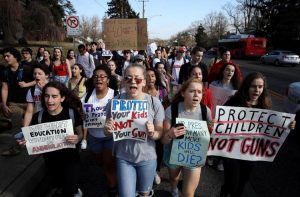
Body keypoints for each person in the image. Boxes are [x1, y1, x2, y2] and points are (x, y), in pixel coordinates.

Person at [220, 72, 296, 197]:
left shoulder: (264, 105)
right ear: (246, 87)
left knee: (241, 186)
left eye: (260, 87)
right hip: (231, 152)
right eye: (253, 86)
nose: (257, 90)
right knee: (231, 185)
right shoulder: (234, 102)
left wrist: (288, 124)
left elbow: (271, 125)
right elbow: (222, 122)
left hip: (250, 153)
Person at [104, 63, 164, 197]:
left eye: (137, 79)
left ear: (143, 82)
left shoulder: (154, 103)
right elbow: (107, 131)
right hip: (123, 158)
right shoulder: (114, 103)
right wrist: (108, 129)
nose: (133, 82)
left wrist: (153, 132)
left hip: (147, 157)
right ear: (124, 81)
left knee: (144, 193)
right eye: (128, 78)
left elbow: (160, 133)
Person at [18, 81, 83, 197]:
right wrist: (25, 142)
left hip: (71, 159)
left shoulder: (72, 113)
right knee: (60, 183)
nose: (49, 100)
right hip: (51, 161)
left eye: (54, 96)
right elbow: (32, 138)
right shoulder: (38, 117)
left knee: (69, 189)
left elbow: (81, 133)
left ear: (62, 98)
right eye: (47, 96)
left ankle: (73, 190)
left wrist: (77, 138)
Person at [161, 78, 212, 197]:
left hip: (194, 156)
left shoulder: (205, 111)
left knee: (188, 193)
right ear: (183, 93)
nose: (196, 95)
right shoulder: (172, 110)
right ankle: (174, 190)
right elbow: (163, 140)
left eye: (199, 92)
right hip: (172, 153)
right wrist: (169, 134)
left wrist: (215, 128)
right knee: (174, 178)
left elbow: (210, 134)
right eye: (192, 91)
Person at [81, 65, 118, 196]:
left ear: (108, 80)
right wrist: (83, 115)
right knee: (100, 162)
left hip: (110, 137)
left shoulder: (115, 95)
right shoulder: (86, 97)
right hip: (94, 138)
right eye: (96, 76)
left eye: (102, 76)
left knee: (109, 163)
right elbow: (82, 113)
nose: (99, 79)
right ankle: (111, 175)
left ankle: (112, 188)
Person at [1, 47, 35, 156]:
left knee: (29, 126)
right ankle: (15, 148)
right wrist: (4, 104)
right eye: (4, 56)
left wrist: (26, 84)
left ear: (15, 57)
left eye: (8, 56)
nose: (5, 58)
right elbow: (5, 88)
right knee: (16, 127)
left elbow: (37, 80)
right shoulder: (5, 71)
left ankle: (33, 146)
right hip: (14, 103)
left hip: (30, 103)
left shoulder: (26, 68)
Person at [144, 68, 168, 185]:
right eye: (147, 76)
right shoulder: (140, 92)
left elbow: (167, 105)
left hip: (159, 125)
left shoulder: (162, 90)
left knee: (158, 148)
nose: (150, 78)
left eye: (152, 76)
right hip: (143, 126)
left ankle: (155, 171)